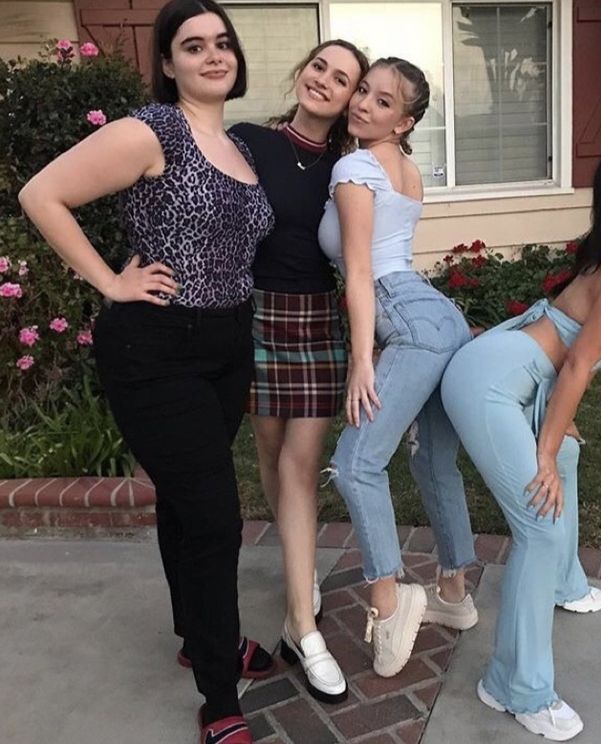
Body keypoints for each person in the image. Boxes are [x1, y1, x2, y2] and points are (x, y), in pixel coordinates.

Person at [19, 2, 276, 742]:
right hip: (156, 350)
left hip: (225, 345)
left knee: (186, 505)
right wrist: (110, 281)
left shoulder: (235, 144)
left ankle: (200, 637)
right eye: (193, 46)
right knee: (217, 519)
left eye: (222, 42)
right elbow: (43, 194)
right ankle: (219, 697)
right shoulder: (150, 131)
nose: (212, 55)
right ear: (168, 64)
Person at [441, 132, 601, 741]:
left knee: (567, 462)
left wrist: (558, 431)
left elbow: (569, 338)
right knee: (539, 523)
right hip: (494, 382)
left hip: (518, 369)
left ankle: (564, 582)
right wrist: (544, 452)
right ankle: (513, 685)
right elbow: (579, 360)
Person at [318, 58, 478, 679]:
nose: (362, 104)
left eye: (383, 102)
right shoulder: (405, 169)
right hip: (439, 314)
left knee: (358, 464)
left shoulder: (355, 165)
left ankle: (390, 605)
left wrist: (364, 359)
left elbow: (361, 271)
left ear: (404, 120)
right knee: (433, 460)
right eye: (363, 91)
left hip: (407, 317)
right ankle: (454, 594)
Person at [228, 39, 368, 704]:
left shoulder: (349, 164)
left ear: (349, 100)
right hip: (253, 312)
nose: (325, 82)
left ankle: (302, 626)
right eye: (320, 67)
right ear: (301, 71)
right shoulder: (248, 140)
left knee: (300, 464)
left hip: (315, 321)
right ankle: (299, 575)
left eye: (341, 79)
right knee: (268, 450)